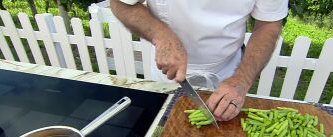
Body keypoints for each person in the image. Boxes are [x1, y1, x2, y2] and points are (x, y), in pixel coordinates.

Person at [110, 0, 288, 121]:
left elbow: (268, 24)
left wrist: (242, 80)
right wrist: (161, 35)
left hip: (228, 74)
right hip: (166, 75)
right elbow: (120, 3)